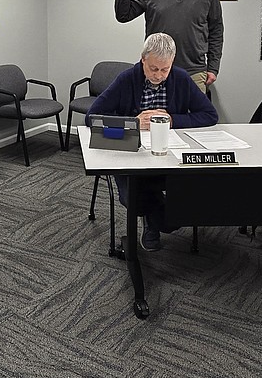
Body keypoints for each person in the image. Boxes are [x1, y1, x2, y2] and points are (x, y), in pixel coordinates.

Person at [87, 33, 218, 251]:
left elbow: (209, 115)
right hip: (132, 153)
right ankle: (152, 221)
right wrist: (133, 122)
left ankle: (154, 219)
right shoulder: (126, 79)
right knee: (134, 199)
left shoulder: (181, 78)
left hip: (169, 153)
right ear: (143, 60)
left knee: (184, 200)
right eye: (153, 68)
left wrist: (173, 119)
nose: (158, 75)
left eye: (164, 69)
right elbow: (92, 117)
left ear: (172, 62)